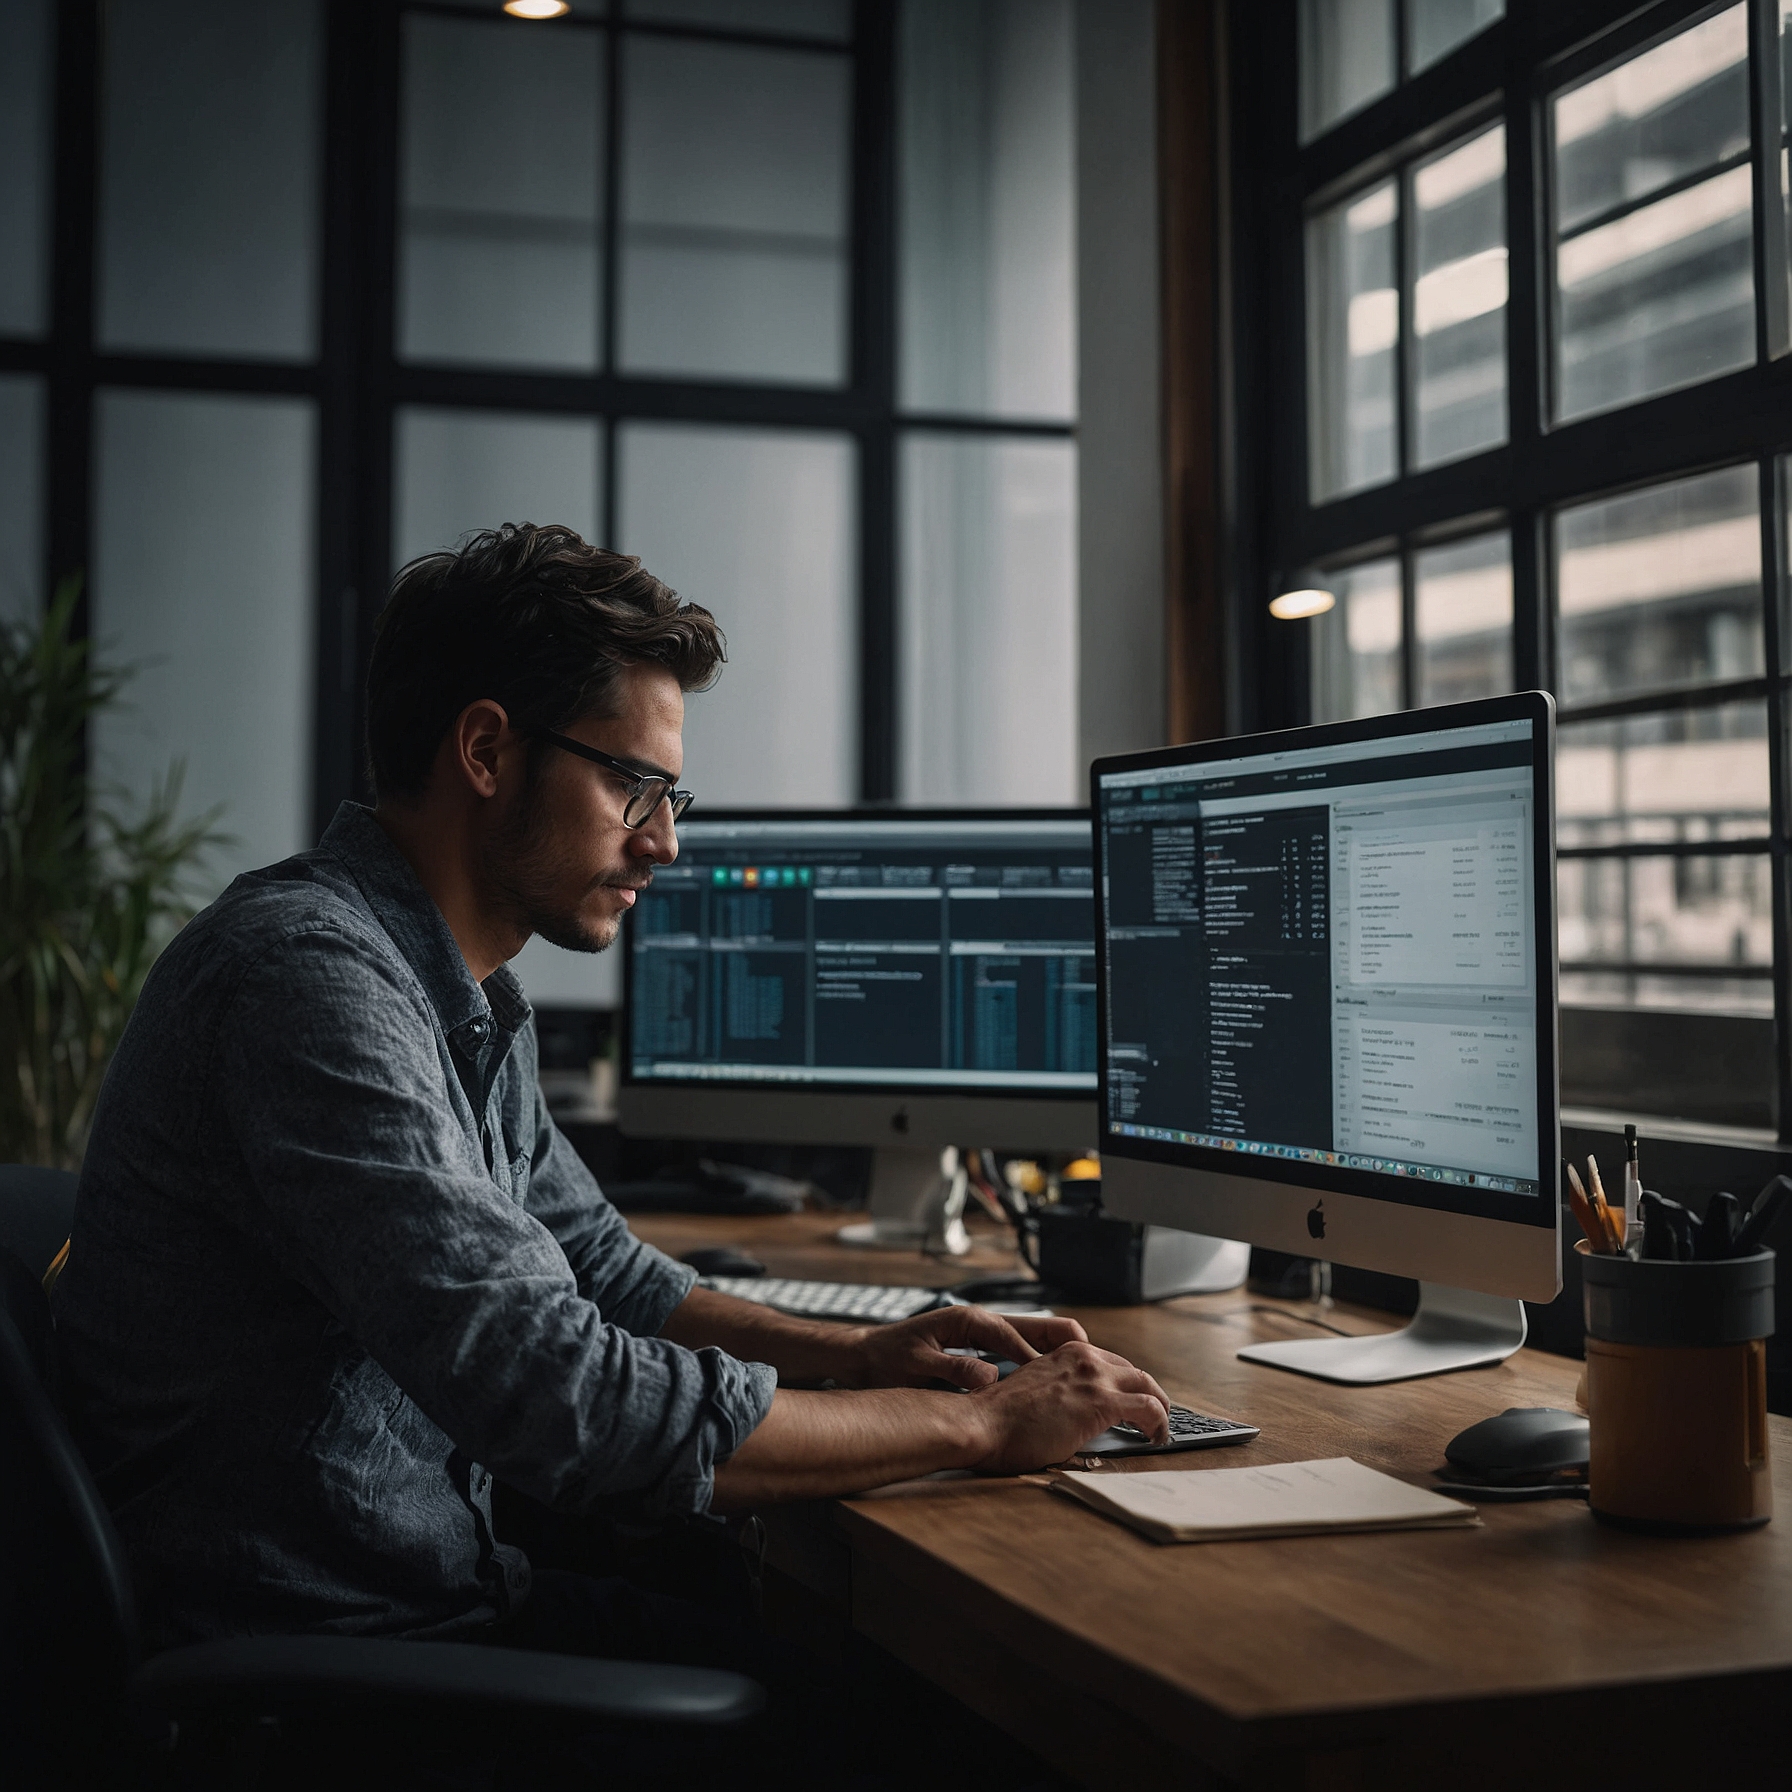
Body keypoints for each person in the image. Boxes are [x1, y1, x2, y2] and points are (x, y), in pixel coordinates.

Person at [53, 523, 1168, 1660]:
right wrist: (974, 1423)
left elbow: (603, 1270)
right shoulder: (306, 980)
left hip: (422, 1592)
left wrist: (857, 1356)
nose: (667, 843)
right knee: (905, 1698)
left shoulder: (458, 992)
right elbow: (555, 1395)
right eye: (636, 786)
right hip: (328, 1659)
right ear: (486, 752)